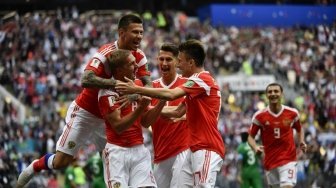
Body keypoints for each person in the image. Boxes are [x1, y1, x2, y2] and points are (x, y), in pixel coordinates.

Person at [16, 14, 151, 188]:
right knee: (61, 162)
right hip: (86, 112)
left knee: (114, 160)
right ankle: (35, 166)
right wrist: (115, 84)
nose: (140, 36)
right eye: (135, 32)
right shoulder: (105, 53)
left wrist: (134, 94)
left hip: (108, 118)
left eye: (141, 32)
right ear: (121, 33)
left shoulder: (139, 56)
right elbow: (86, 79)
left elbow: (148, 83)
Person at [116, 39, 225, 187]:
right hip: (189, 149)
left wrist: (136, 90)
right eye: (162, 59)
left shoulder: (201, 79)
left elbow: (172, 94)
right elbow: (177, 112)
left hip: (206, 147)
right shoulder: (194, 86)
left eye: (179, 61)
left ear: (191, 63)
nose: (178, 65)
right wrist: (142, 107)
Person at [98, 49, 165, 187]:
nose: (136, 67)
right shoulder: (107, 92)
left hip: (139, 150)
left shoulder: (139, 86)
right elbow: (119, 127)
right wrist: (141, 108)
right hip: (117, 153)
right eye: (131, 64)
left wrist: (162, 102)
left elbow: (146, 122)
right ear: (119, 70)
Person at [247, 83, 307, 188]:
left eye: (276, 91)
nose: (273, 94)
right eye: (270, 92)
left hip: (288, 159)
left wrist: (302, 141)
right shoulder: (259, 116)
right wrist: (255, 146)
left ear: (281, 94)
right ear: (266, 95)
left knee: (287, 186)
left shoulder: (292, 113)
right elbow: (250, 136)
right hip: (270, 161)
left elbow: (299, 128)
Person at [150, 43, 189, 188]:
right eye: (161, 59)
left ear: (177, 62)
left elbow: (185, 113)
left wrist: (151, 109)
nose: (164, 63)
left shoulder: (186, 85)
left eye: (168, 59)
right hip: (160, 154)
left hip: (182, 150)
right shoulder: (151, 88)